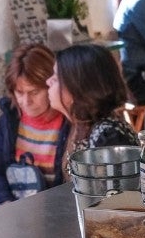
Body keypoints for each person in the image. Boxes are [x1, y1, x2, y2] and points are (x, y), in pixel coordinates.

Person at [0, 43, 67, 208]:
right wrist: (4, 203)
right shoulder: (10, 120)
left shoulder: (68, 124)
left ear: (52, 85)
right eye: (19, 93)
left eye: (34, 92)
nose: (26, 102)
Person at [47, 43, 139, 175]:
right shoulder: (77, 126)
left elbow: (117, 192)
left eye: (55, 79)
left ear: (76, 89)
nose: (47, 82)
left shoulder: (108, 136)